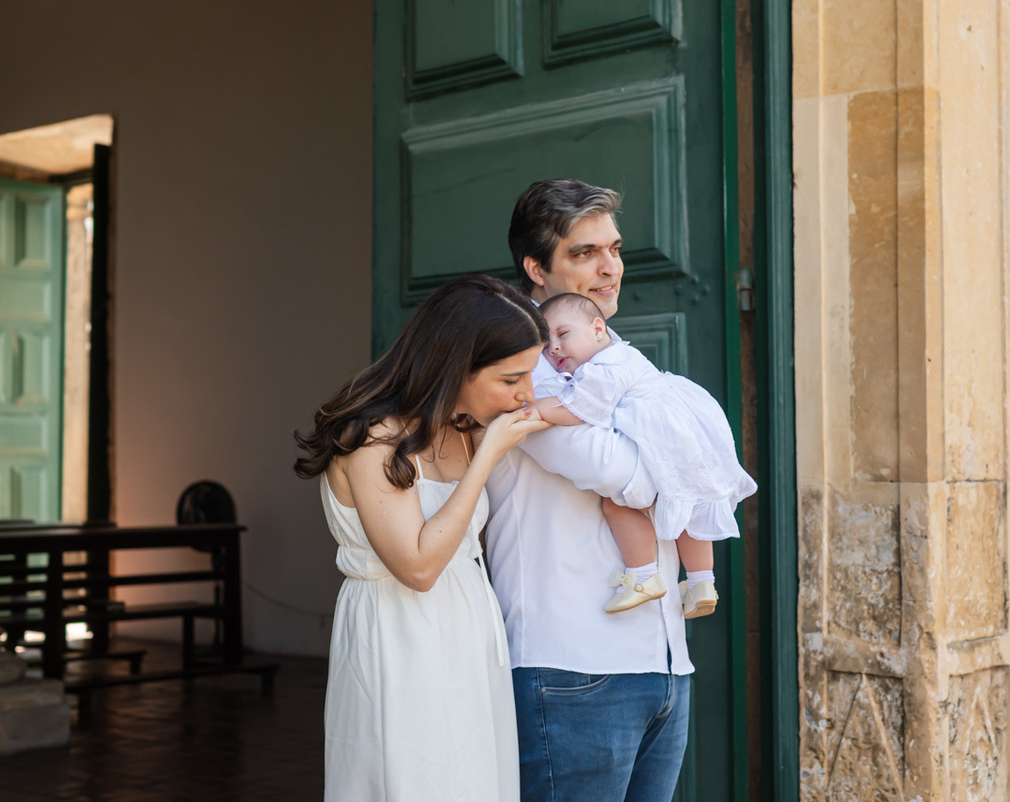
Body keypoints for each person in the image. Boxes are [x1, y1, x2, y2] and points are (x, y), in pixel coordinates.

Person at [294, 273, 551, 802]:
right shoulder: (371, 436)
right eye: (511, 379)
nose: (527, 394)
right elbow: (417, 566)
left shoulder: (461, 424)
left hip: (468, 633)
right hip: (398, 635)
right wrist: (486, 458)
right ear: (457, 366)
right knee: (412, 779)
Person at [484, 178, 692, 801]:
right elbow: (624, 473)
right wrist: (685, 465)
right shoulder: (523, 367)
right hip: (569, 667)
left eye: (616, 249)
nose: (610, 269)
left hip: (663, 666)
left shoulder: (616, 355)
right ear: (535, 267)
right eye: (584, 253)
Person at [528, 292, 757, 615]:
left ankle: (643, 575)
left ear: (598, 329)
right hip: (683, 432)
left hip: (664, 433)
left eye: (563, 335)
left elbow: (578, 409)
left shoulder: (606, 366)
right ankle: (702, 582)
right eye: (546, 344)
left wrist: (536, 409)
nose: (553, 348)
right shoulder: (620, 357)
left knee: (618, 503)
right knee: (688, 503)